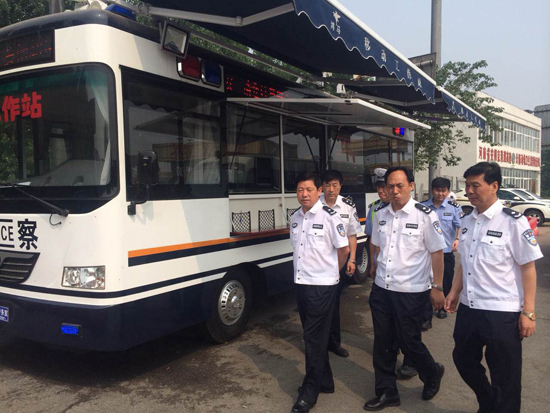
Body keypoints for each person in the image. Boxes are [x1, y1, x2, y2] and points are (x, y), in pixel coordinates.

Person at [445, 162, 542, 413]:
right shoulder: (467, 220)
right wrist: (455, 291)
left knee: (505, 376)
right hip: (470, 307)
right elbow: (465, 261)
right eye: (467, 185)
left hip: (501, 312)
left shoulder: (513, 222)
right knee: (463, 358)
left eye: (476, 185)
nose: (469, 191)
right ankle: (488, 402)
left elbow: (528, 268)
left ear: (494, 186)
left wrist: (528, 312)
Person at [364, 166, 446, 411]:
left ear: (411, 185)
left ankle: (432, 372)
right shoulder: (380, 214)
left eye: (400, 185)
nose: (395, 191)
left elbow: (437, 252)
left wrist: (437, 286)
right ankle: (387, 392)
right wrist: (374, 267)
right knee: (383, 342)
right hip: (382, 288)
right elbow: (376, 245)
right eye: (390, 186)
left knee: (409, 341)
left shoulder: (425, 215)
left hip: (411, 290)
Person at [290, 172, 350, 413]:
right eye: (300, 190)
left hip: (322, 286)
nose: (304, 194)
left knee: (313, 339)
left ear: (319, 191)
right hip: (301, 284)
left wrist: (331, 274)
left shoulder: (330, 217)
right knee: (313, 334)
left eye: (309, 190)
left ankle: (311, 389)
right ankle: (325, 381)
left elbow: (343, 250)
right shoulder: (295, 217)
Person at [397, 177, 463, 380]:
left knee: (443, 282)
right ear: (432, 190)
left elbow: (459, 225)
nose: (440, 193)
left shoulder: (453, 208)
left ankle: (442, 308)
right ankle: (426, 316)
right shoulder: (423, 207)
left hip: (445, 252)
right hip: (427, 253)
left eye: (444, 190)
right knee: (427, 284)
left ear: (448, 191)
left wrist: (457, 239)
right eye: (437, 190)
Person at [320, 170, 362, 358]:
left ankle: (334, 343)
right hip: (318, 263)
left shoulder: (347, 206)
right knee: (316, 303)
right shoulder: (315, 204)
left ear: (340, 186)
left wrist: (352, 259)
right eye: (327, 185)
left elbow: (352, 234)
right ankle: (317, 341)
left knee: (334, 302)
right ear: (322, 187)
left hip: (340, 261)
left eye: (335, 185)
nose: (331, 189)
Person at [365, 168, 390, 277]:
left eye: (384, 187)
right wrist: (372, 264)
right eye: (378, 187)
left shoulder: (400, 208)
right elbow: (372, 240)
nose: (380, 191)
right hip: (380, 264)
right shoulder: (374, 208)